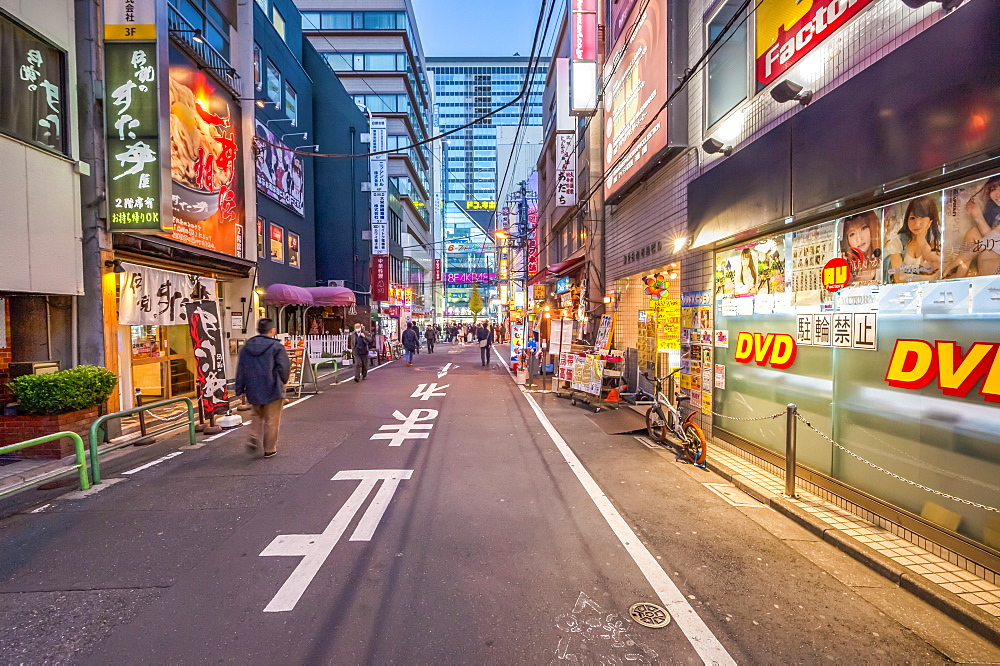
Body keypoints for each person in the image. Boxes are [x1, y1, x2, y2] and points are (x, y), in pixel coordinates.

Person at [235, 318, 290, 459]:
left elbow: (241, 369)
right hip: (272, 387)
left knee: (256, 414)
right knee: (271, 419)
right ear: (272, 330)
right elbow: (284, 368)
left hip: (253, 387)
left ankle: (253, 435)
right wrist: (282, 382)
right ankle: (269, 449)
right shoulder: (276, 347)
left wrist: (239, 388)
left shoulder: (247, 347)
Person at [944, 176, 1000, 278]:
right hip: (987, 272)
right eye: (993, 189)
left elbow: (994, 242)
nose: (998, 194)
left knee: (975, 235)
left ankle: (957, 277)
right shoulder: (994, 213)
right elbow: (991, 240)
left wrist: (977, 216)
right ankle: (958, 278)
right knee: (973, 232)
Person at [887, 195, 942, 283]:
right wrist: (927, 278)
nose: (916, 224)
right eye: (912, 218)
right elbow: (899, 278)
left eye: (922, 217)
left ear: (930, 220)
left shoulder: (937, 240)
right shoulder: (898, 241)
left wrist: (921, 240)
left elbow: (938, 270)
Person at [840, 211, 882, 286]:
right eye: (852, 234)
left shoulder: (884, 260)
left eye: (863, 228)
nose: (859, 238)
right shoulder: (850, 268)